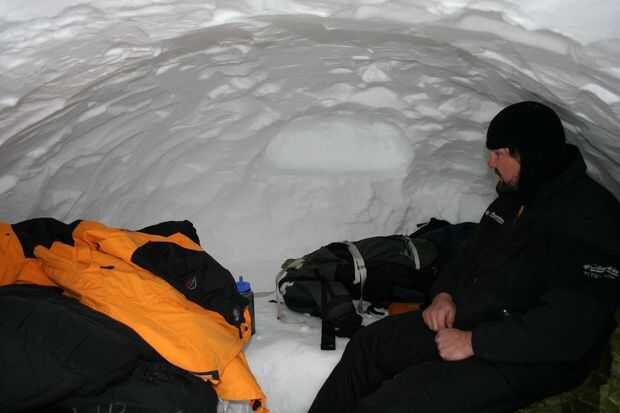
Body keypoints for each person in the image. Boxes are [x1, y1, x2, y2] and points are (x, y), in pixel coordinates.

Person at [308, 101, 620, 413]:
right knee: (369, 346)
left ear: (530, 155)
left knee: (398, 402)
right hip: (474, 321)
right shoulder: (512, 202)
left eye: (499, 153)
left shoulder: (590, 220)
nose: (490, 162)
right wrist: (444, 294)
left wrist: (474, 342)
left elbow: (567, 330)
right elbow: (466, 258)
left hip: (530, 357)